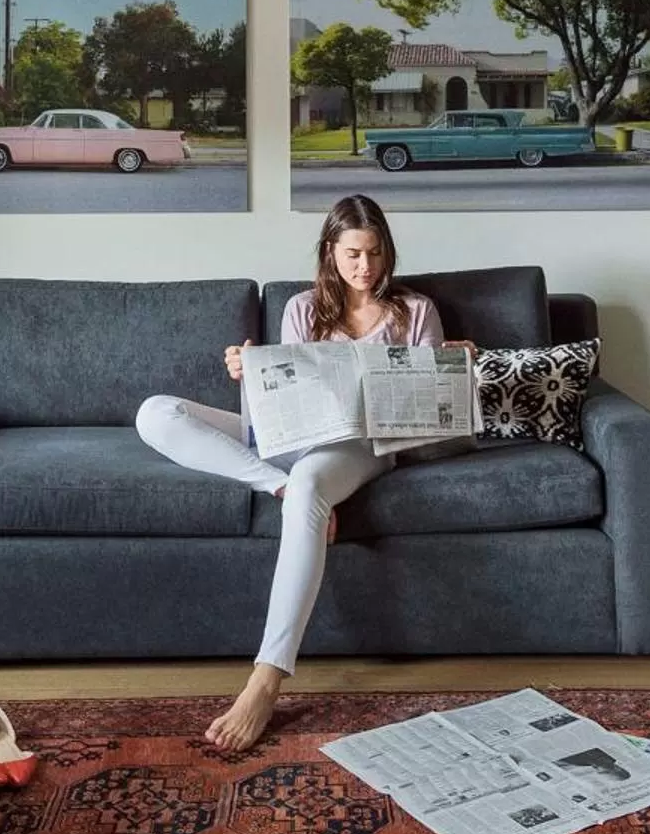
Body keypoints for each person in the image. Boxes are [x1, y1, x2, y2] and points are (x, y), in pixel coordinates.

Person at [134, 193, 465, 751]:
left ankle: (266, 680)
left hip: (359, 445)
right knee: (156, 412)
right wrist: (251, 372)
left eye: (377, 254)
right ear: (330, 252)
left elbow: (430, 416)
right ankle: (277, 486)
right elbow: (292, 398)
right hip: (289, 440)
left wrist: (452, 368)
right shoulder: (302, 309)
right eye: (354, 254)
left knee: (313, 481)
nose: (367, 268)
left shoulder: (416, 312)